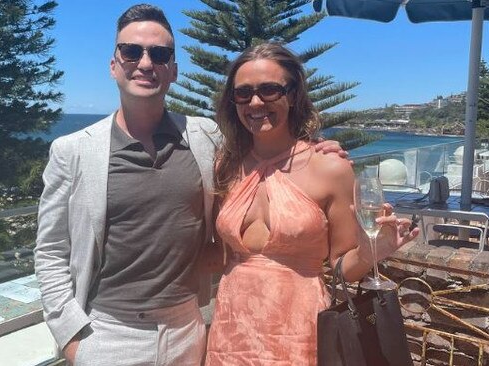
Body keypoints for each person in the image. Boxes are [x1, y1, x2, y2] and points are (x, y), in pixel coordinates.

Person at [34, 5, 345, 365]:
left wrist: (320, 149)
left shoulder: (207, 139)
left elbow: (269, 155)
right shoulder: (72, 151)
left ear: (174, 70)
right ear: (114, 64)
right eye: (132, 51)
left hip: (188, 330)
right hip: (108, 335)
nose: (146, 63)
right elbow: (51, 251)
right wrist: (72, 338)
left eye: (160, 53)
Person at [204, 42, 419, 365]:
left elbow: (342, 269)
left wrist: (374, 250)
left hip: (298, 331)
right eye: (243, 93)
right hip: (232, 333)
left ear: (292, 95)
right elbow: (218, 254)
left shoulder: (329, 167)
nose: (256, 101)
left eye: (269, 90)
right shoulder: (226, 164)